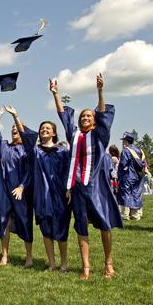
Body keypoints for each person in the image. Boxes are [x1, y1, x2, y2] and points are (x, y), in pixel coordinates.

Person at [51, 73, 123, 280]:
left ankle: (108, 263)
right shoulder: (74, 136)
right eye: (82, 116)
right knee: (81, 225)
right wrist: (56, 94)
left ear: (94, 121)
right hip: (77, 187)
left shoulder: (100, 135)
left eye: (88, 116)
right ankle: (86, 267)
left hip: (96, 185)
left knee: (104, 223)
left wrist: (100, 91)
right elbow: (63, 116)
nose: (84, 118)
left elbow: (103, 114)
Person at [9, 105, 70, 271]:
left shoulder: (63, 151)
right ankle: (51, 263)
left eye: (48, 128)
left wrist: (69, 189)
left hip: (59, 194)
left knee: (61, 229)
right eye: (42, 128)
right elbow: (25, 135)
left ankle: (64, 262)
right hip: (41, 195)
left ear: (54, 133)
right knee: (46, 229)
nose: (44, 130)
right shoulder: (34, 151)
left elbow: (68, 173)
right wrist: (16, 116)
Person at [0, 106, 33, 267]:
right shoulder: (4, 146)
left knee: (25, 221)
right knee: (4, 221)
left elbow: (29, 171)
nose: (14, 130)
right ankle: (4, 255)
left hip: (21, 190)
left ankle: (29, 256)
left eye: (17, 128)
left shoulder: (27, 149)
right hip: (4, 189)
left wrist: (15, 116)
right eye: (12, 128)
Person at [118, 132, 146, 221]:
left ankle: (125, 214)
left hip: (128, 176)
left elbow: (123, 164)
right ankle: (135, 215)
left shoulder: (126, 151)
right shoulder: (140, 150)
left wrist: (120, 175)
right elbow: (144, 163)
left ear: (126, 141)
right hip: (139, 176)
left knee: (125, 194)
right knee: (136, 194)